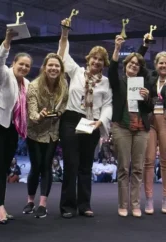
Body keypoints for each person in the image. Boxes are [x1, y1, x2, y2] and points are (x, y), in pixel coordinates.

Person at [57, 19, 112, 218]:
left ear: (104, 63)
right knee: (71, 164)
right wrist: (64, 33)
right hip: (71, 120)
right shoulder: (76, 72)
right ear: (88, 59)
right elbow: (62, 54)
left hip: (92, 122)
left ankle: (84, 205)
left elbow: (108, 105)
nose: (96, 62)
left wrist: (101, 121)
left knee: (85, 166)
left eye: (100, 59)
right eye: (94, 58)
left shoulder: (105, 83)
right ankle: (67, 207)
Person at [0, 28, 32, 224]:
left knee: (4, 169)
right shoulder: (4, 74)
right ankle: (1, 207)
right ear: (14, 63)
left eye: (27, 66)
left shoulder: (27, 84)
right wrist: (7, 39)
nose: (24, 68)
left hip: (13, 130)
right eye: (21, 64)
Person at [138, 35, 166, 215]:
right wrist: (145, 46)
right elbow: (139, 64)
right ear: (156, 65)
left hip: (165, 120)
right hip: (149, 121)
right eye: (160, 63)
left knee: (165, 161)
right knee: (148, 161)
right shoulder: (150, 78)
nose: (163, 66)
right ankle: (149, 199)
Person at [109, 35, 153, 217]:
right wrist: (117, 49)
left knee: (137, 168)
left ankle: (135, 204)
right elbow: (111, 70)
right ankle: (122, 204)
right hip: (122, 127)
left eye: (137, 64)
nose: (134, 65)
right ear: (125, 65)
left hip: (142, 129)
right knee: (123, 168)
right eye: (131, 63)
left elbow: (150, 107)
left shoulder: (143, 83)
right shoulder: (118, 82)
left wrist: (147, 97)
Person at [22, 53, 68, 218]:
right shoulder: (34, 86)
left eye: (57, 66)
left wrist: (58, 113)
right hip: (35, 132)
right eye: (51, 65)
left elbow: (64, 106)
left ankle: (43, 204)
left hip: (52, 133)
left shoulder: (63, 85)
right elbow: (32, 112)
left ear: (61, 69)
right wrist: (39, 116)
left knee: (46, 166)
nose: (54, 68)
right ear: (44, 67)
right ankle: (29, 201)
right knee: (36, 166)